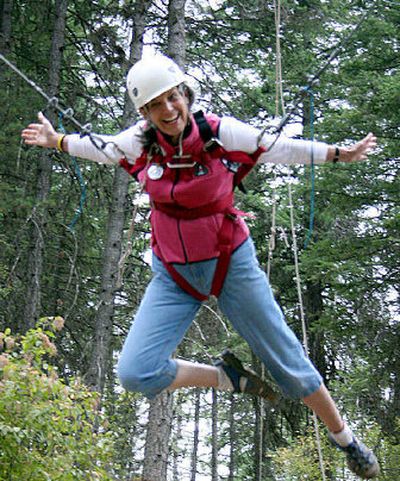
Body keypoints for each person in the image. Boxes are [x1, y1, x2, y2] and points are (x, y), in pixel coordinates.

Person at [22, 54, 379, 479]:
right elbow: (97, 147)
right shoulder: (138, 142)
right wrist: (56, 139)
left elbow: (280, 147)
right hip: (173, 274)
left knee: (291, 369)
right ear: (145, 113)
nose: (168, 110)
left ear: (184, 94)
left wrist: (340, 154)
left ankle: (347, 440)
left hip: (231, 263)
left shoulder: (221, 132)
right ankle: (227, 378)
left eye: (173, 98)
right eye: (156, 105)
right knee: (137, 372)